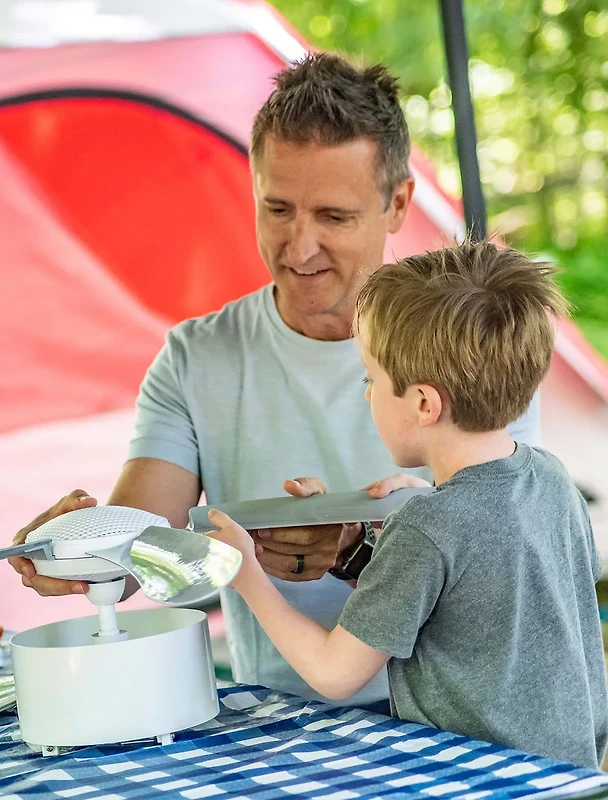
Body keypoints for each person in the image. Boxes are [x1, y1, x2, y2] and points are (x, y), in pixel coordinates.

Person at [9, 54, 540, 712]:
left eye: (335, 217)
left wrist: (361, 551)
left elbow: (507, 562)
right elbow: (141, 545)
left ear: (397, 203)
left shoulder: (471, 340)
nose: (300, 246)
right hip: (274, 713)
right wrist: (82, 548)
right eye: (278, 208)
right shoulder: (197, 357)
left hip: (450, 711)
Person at [206, 241, 608, 769]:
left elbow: (334, 673)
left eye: (371, 379)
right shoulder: (548, 475)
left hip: (477, 780)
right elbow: (481, 586)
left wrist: (244, 574)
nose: (368, 394)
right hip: (567, 771)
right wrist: (367, 549)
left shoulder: (427, 526)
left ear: (423, 403)